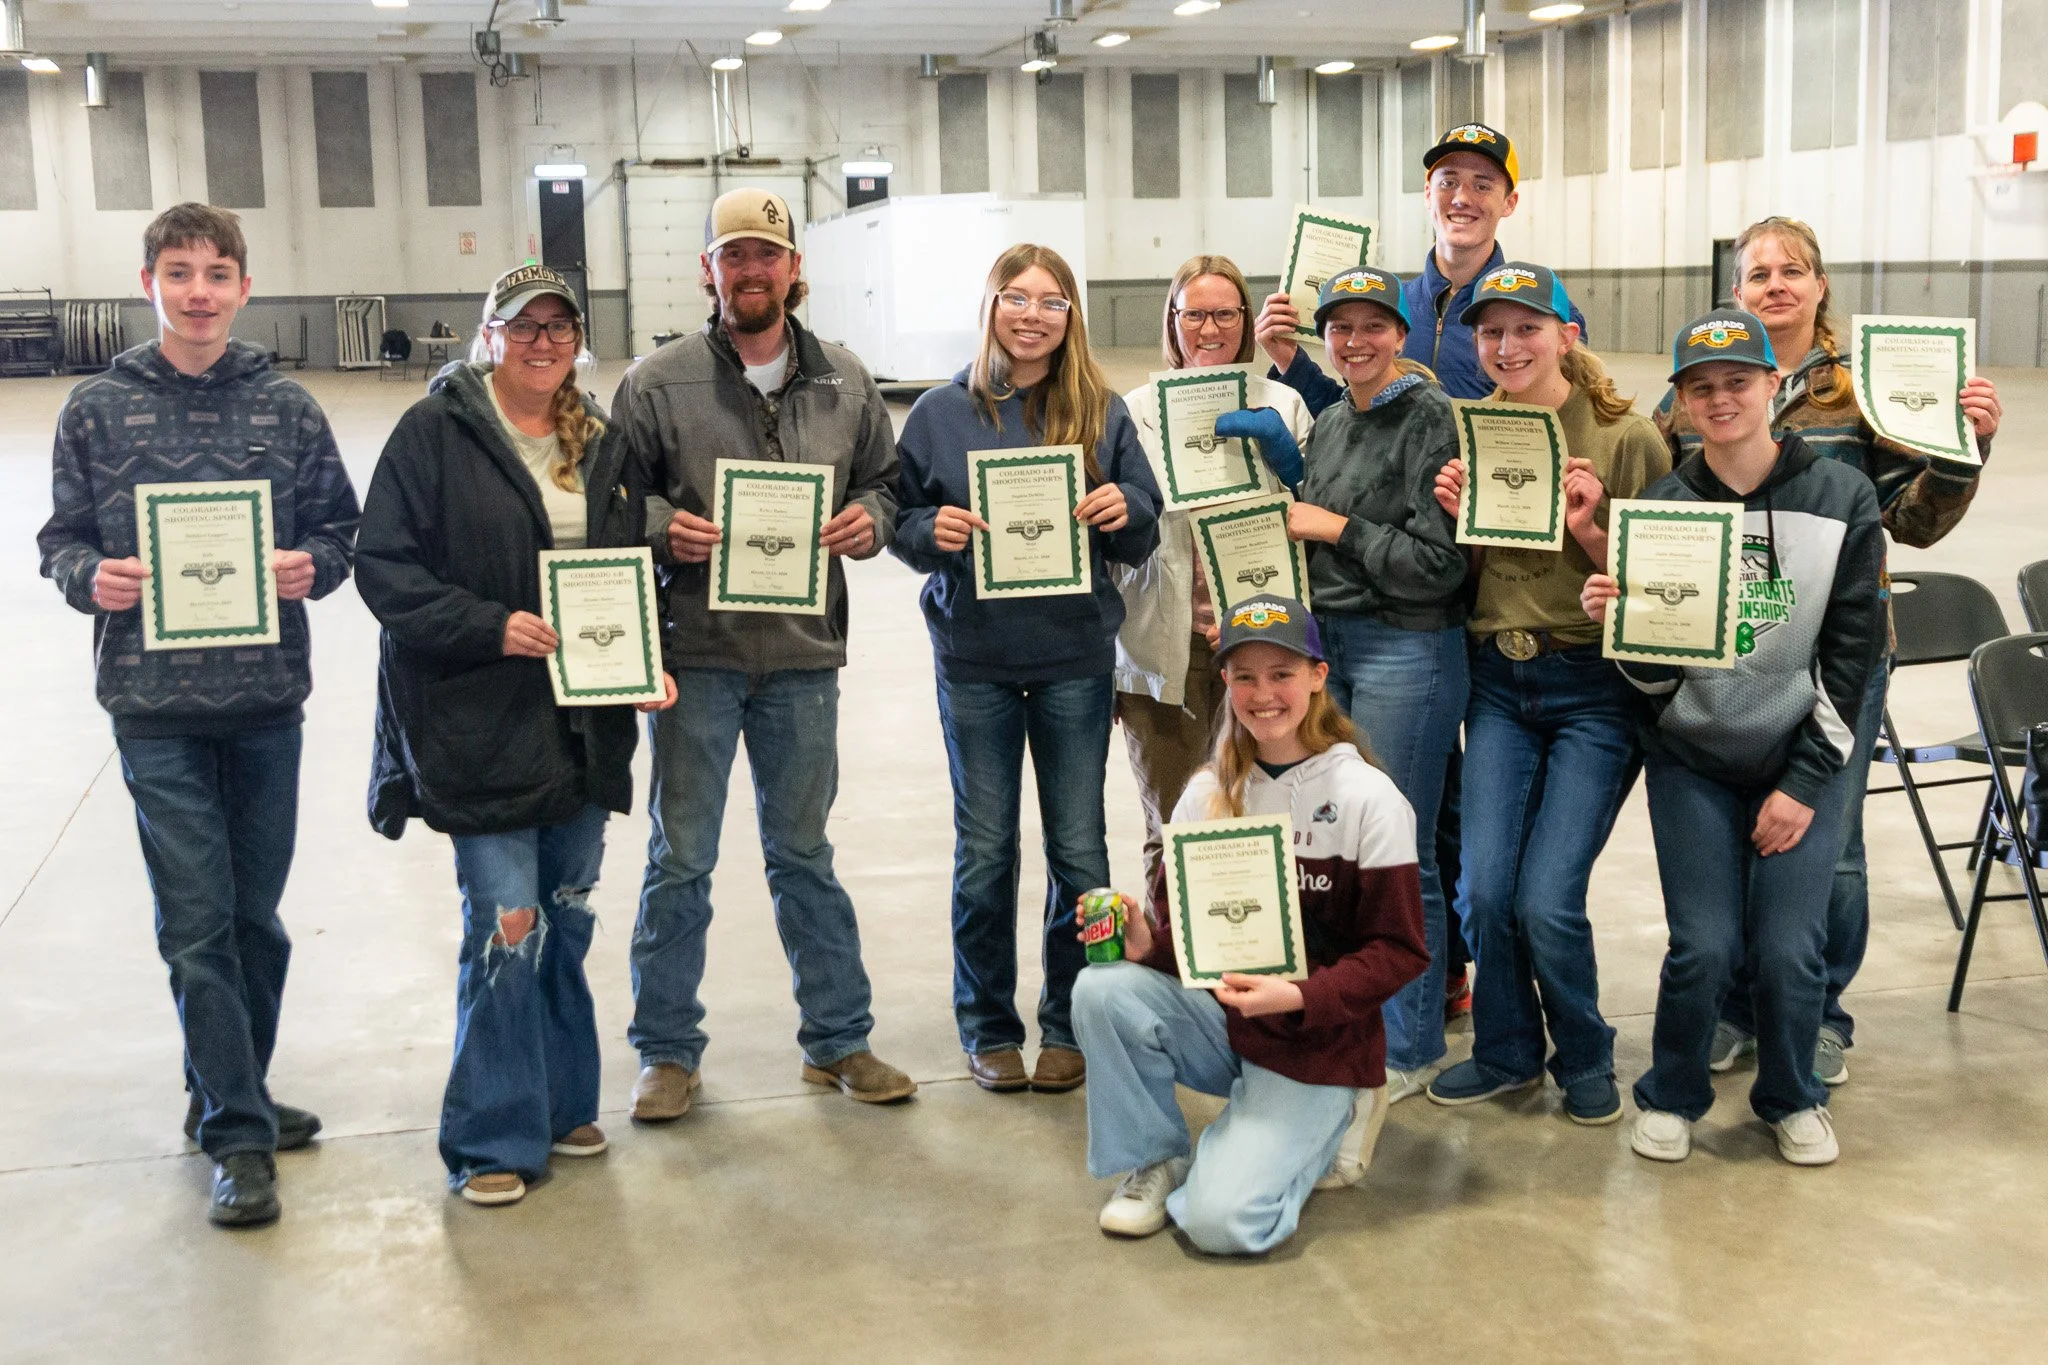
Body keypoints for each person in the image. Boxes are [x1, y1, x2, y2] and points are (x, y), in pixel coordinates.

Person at [36, 203, 360, 1228]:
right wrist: (96, 579)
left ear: (244, 288)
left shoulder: (289, 408)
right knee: (194, 924)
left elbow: (339, 528)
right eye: (178, 272)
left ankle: (228, 1088)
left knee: (254, 922)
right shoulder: (94, 408)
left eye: (217, 273)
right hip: (154, 706)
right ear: (149, 284)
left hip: (266, 700)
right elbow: (60, 540)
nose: (199, 292)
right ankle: (237, 1134)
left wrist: (317, 566)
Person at [357, 265, 678, 1207]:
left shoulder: (603, 440)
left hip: (584, 724)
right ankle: (490, 1135)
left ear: (578, 339)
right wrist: (490, 625)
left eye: (560, 326)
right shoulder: (434, 435)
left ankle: (560, 1102)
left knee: (567, 918)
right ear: (489, 335)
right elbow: (386, 570)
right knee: (506, 925)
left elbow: (624, 574)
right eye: (524, 326)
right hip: (479, 720)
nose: (543, 342)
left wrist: (643, 659)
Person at [1656, 217, 2004, 1086]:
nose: (1775, 284)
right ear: (1736, 291)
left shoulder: (1864, 389)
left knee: (1830, 844)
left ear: (1819, 287)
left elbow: (1911, 522)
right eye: (1757, 272)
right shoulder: (1686, 399)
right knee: (1735, 838)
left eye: (1793, 270)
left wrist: (1967, 450)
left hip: (1837, 655)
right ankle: (1741, 1006)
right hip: (1727, 659)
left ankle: (1821, 1015)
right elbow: (1663, 517)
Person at [1254, 123, 1585, 1019]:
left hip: (1483, 602)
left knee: (1424, 840)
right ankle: (1418, 995)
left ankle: (1422, 1017)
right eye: (1446, 180)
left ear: (1508, 199)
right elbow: (1351, 418)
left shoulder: (1517, 313)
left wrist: (1332, 524)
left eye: (1483, 181)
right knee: (1398, 833)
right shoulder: (1391, 324)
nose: (1462, 194)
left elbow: (1414, 541)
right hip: (1376, 626)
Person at [615, 187, 917, 1116]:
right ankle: (667, 1051)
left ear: (795, 270)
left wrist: (870, 520)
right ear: (708, 270)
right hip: (695, 656)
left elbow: (886, 482)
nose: (751, 271)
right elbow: (611, 502)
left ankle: (838, 1040)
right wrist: (666, 526)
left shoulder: (848, 380)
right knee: (681, 858)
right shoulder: (656, 381)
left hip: (802, 658)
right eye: (733, 255)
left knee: (804, 853)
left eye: (767, 255)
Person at [1584, 309, 1885, 1166]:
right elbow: (1652, 683)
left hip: (1801, 757)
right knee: (1706, 942)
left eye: (1738, 382)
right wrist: (1626, 630)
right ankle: (1671, 1089)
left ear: (1771, 388)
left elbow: (1852, 655)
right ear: (1680, 403)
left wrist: (1803, 782)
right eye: (1701, 387)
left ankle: (1792, 1094)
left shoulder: (1840, 496)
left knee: (1791, 946)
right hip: (1694, 760)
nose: (1721, 400)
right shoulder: (1664, 507)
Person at [1074, 594, 1427, 1255]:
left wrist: (1297, 995)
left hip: (1317, 1039)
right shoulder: (1208, 793)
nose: (1263, 694)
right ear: (1226, 681)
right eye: (1244, 676)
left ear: (1319, 676)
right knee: (1101, 988)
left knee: (1221, 1223)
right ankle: (1157, 1156)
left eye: (1282, 673)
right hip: (1228, 1020)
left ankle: (1336, 1112)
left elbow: (1399, 951)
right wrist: (1148, 944)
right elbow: (1200, 943)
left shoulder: (1368, 799)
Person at [893, 243, 1163, 1094]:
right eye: (1017, 297)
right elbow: (898, 514)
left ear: (1071, 316)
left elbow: (1143, 524)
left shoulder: (1102, 413)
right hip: (974, 659)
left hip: (1073, 658)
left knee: (1080, 853)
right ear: (991, 306)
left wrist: (1125, 509)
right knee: (985, 851)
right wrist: (921, 533)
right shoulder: (939, 412)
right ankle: (987, 1023)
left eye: (1052, 301)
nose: (1033, 314)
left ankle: (1072, 1017)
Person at [1419, 263, 1671, 1124]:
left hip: (1592, 687)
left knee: (1547, 895)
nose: (1509, 344)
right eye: (1492, 331)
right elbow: (1472, 575)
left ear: (1568, 334)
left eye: (1528, 327)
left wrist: (1594, 530)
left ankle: (1586, 1052)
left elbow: (1670, 589)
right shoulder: (1472, 429)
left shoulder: (1625, 436)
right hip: (1498, 679)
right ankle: (1507, 1051)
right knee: (1485, 888)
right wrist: (1465, 526)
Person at [1285, 266, 1466, 1101]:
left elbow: (1438, 566)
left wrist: (1336, 527)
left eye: (1372, 326)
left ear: (1401, 335)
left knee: (1403, 850)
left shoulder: (1431, 419)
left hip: (1407, 650)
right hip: (1335, 648)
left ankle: (1411, 1044)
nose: (1354, 343)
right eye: (1339, 328)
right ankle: (1358, 1024)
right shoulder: (1327, 422)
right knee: (1343, 848)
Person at [1111, 255, 1313, 893]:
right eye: (1193, 313)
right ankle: (1173, 983)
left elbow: (1315, 511)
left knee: (1266, 819)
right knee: (1173, 826)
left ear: (1247, 322)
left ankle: (1258, 974)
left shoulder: (1284, 404)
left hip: (1259, 643)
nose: (1209, 328)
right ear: (1172, 321)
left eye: (1225, 313)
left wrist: (1287, 464)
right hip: (1161, 647)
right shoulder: (1134, 411)